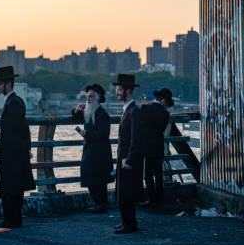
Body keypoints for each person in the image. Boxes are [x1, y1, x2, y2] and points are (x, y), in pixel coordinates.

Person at [0, 66, 35, 228]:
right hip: (14, 152)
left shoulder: (13, 103)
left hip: (12, 154)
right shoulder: (14, 101)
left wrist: (16, 150)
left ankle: (11, 218)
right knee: (13, 187)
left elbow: (20, 129)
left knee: (11, 187)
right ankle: (13, 218)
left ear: (8, 84)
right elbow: (24, 129)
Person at [71, 84, 113, 213]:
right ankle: (99, 203)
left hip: (100, 151)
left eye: (91, 96)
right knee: (90, 175)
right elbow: (75, 116)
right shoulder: (88, 111)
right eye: (87, 96)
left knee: (99, 178)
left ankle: (101, 204)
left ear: (98, 98)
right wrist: (77, 110)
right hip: (90, 149)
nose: (88, 99)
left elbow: (104, 134)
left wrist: (86, 134)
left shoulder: (102, 114)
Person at [113, 74, 145, 234]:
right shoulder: (128, 110)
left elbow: (136, 139)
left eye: (119, 90)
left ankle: (130, 224)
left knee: (127, 193)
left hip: (128, 160)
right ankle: (126, 222)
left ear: (127, 90)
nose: (117, 92)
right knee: (122, 192)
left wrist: (130, 160)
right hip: (123, 158)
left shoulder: (134, 111)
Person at [141, 88, 172, 207]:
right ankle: (159, 199)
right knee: (158, 174)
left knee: (148, 174)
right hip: (158, 145)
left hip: (147, 145)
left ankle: (151, 199)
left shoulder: (146, 108)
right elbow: (161, 129)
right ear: (163, 101)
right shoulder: (166, 113)